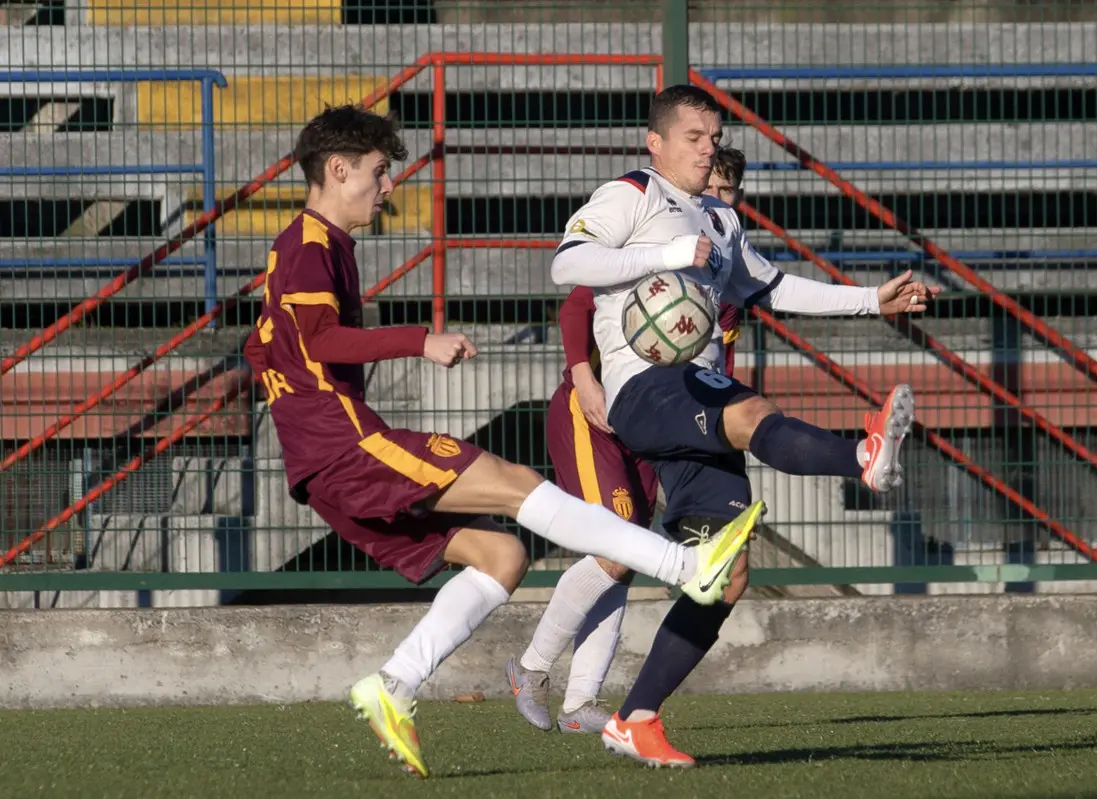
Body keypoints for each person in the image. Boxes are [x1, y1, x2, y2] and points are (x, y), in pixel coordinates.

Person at [240, 103, 759, 779]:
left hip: (321, 460)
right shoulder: (312, 244)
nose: (388, 186)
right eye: (378, 171)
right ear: (338, 169)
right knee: (518, 485)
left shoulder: (305, 246)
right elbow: (318, 339)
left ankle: (395, 683)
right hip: (345, 445)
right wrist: (420, 340)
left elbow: (267, 346)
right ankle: (686, 567)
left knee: (502, 555)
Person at [549, 85, 940, 767]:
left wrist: (870, 301)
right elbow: (568, 262)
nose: (708, 149)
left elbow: (772, 287)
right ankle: (862, 455)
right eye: (694, 137)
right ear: (656, 142)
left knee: (725, 575)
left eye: (715, 138)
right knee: (750, 410)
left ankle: (636, 718)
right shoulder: (632, 194)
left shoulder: (719, 220)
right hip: (646, 386)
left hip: (693, 394)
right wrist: (666, 256)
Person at [506, 148, 751, 736]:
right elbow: (576, 306)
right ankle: (531, 668)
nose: (717, 202)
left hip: (650, 425)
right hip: (592, 412)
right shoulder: (657, 242)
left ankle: (580, 703)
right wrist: (584, 378)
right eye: (711, 190)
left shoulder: (722, 274)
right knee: (616, 550)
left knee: (628, 555)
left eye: (728, 194)